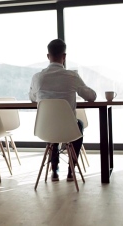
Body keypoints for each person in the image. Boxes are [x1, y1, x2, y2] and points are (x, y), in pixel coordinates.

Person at [29, 38, 97, 182]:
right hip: (68, 129)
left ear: (48, 56)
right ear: (64, 56)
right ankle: (72, 170)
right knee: (78, 124)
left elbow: (33, 98)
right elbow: (91, 96)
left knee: (52, 128)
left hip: (45, 128)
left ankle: (54, 169)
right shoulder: (72, 76)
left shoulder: (38, 77)